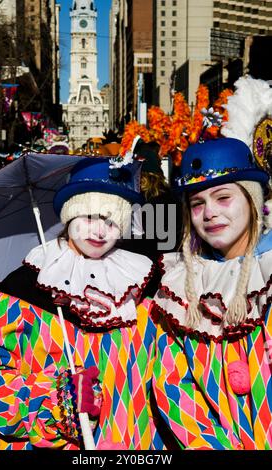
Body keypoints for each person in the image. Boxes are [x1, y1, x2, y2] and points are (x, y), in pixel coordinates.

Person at [0, 156, 165, 450]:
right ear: (69, 216)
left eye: (112, 221)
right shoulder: (20, 291)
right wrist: (54, 399)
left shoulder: (141, 284)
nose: (100, 232)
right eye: (89, 217)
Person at [151, 81, 272, 449]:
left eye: (223, 197)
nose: (210, 213)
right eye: (197, 203)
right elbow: (172, 386)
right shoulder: (178, 287)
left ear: (252, 202)